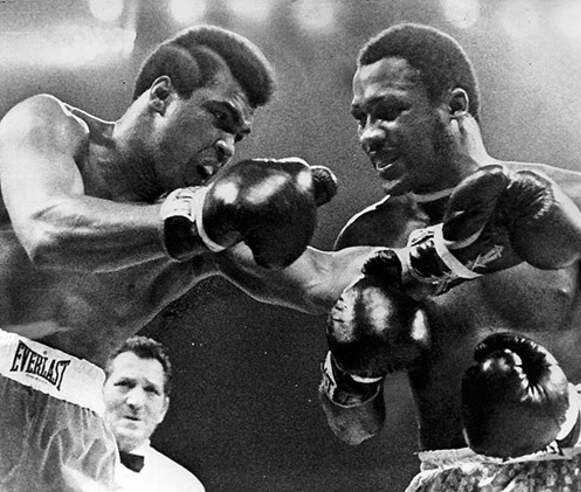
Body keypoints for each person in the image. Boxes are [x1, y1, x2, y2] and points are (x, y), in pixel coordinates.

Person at [0, 23, 341, 492]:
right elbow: (47, 229)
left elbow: (319, 279)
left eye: (239, 137)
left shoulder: (207, 225)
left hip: (72, 428)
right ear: (161, 96)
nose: (226, 147)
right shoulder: (51, 125)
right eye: (219, 117)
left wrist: (439, 254)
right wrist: (193, 218)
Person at [309, 23, 581, 491]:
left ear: (455, 106)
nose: (369, 135)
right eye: (361, 117)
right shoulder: (371, 237)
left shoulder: (579, 201)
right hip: (452, 474)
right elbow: (354, 427)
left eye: (388, 111)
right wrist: (347, 372)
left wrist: (568, 414)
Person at [103, 336, 204, 492]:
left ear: (163, 408)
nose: (136, 402)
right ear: (99, 390)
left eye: (151, 390)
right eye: (124, 384)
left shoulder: (184, 487)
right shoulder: (63, 460)